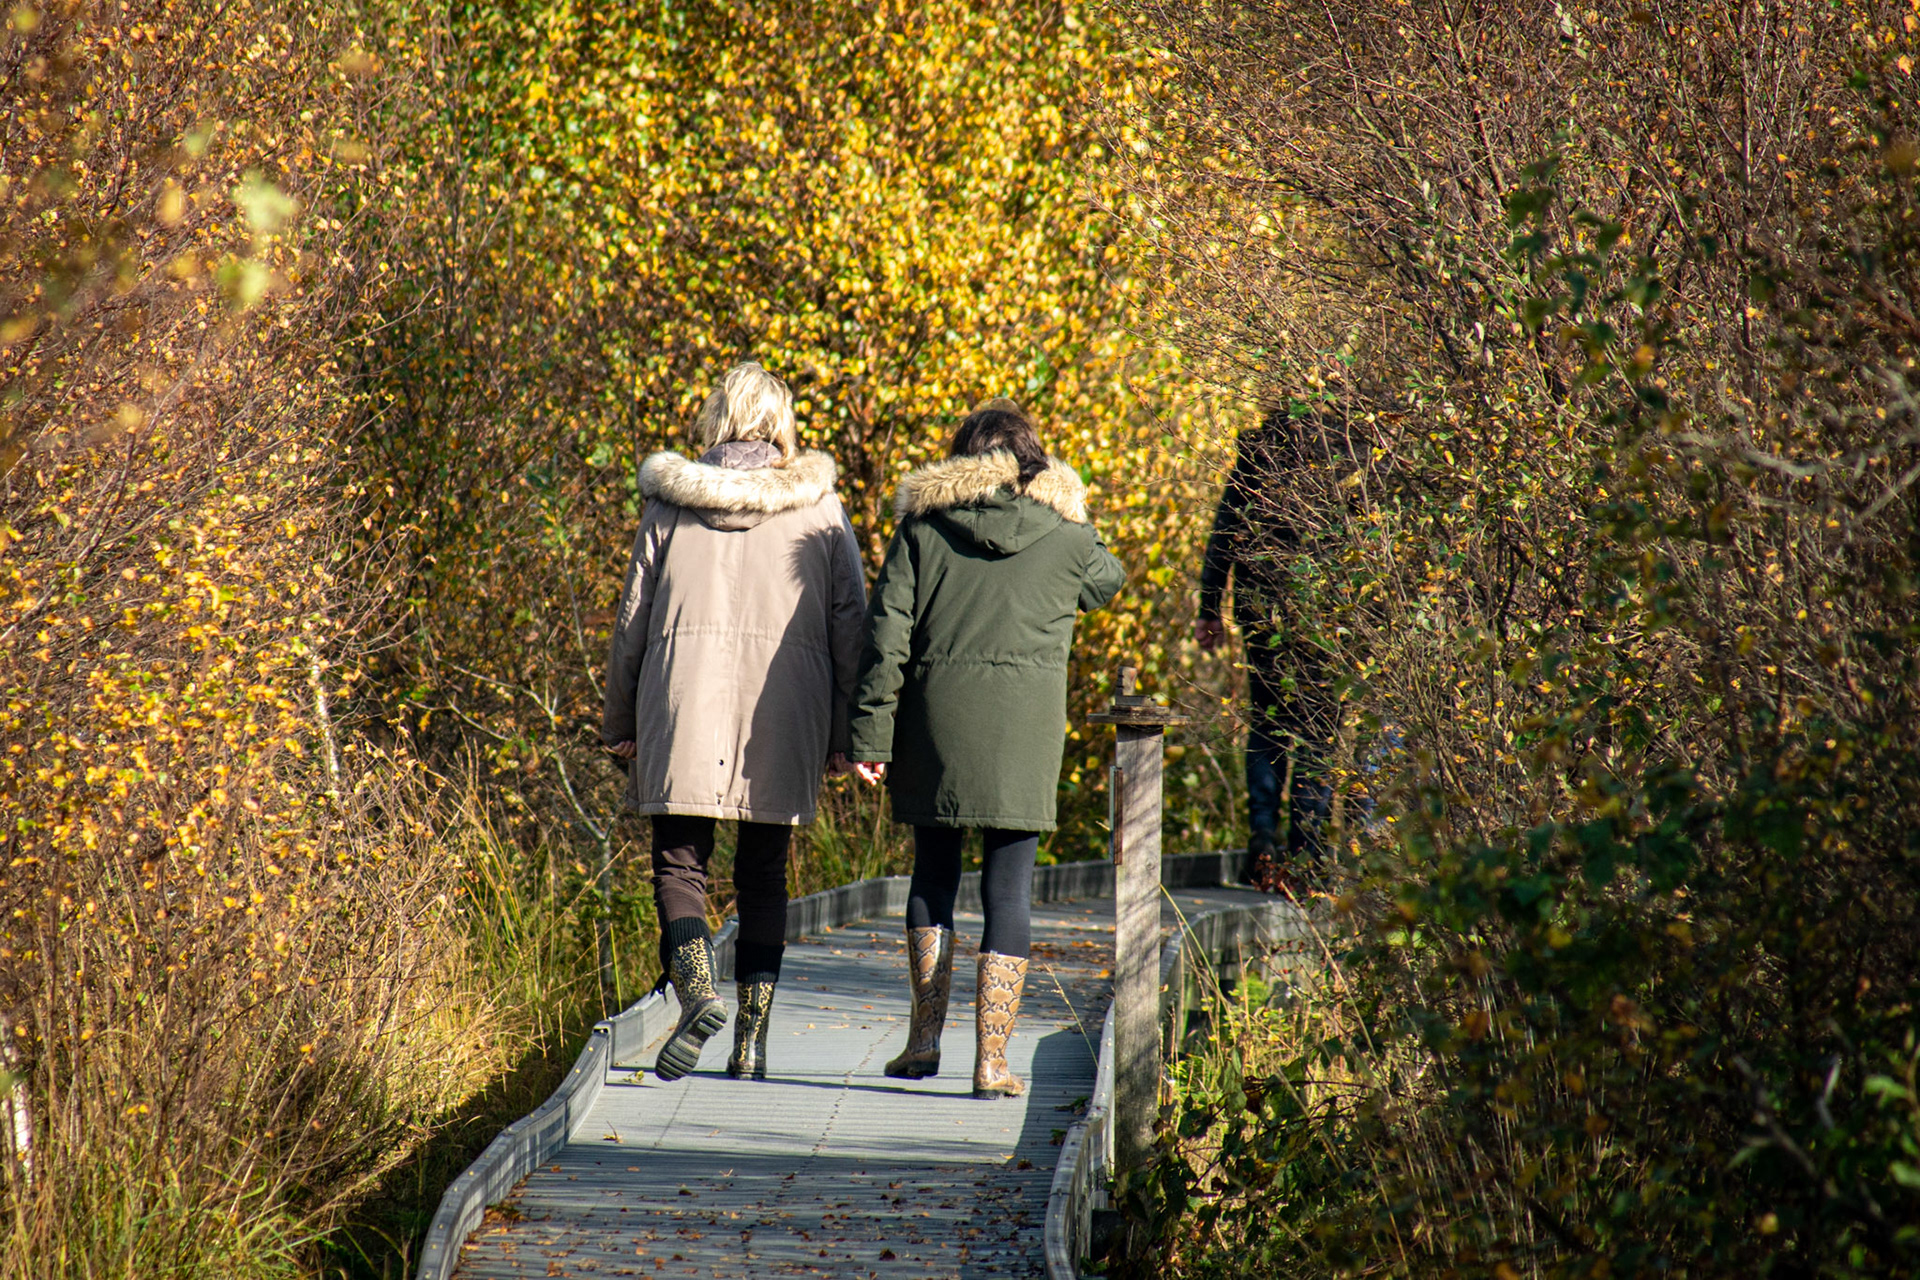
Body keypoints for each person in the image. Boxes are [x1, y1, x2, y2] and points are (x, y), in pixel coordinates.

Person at [847, 400, 1126, 1099]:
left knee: (932, 878)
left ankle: (922, 1039)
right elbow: (1108, 581)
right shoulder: (1065, 535)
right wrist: (1069, 501)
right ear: (1033, 463)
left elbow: (888, 637)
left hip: (935, 723)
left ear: (961, 458)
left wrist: (871, 735)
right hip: (1025, 732)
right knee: (1009, 890)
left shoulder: (922, 527)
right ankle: (992, 1061)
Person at [602, 362, 866, 1082]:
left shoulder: (670, 508)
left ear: (716, 420)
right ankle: (751, 1043)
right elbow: (851, 627)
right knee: (764, 877)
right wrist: (848, 735)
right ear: (781, 425)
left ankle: (697, 995)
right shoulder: (821, 512)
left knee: (679, 865)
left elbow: (632, 624)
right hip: (785, 713)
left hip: (680, 704)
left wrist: (619, 720)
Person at [1196, 409, 1336, 889]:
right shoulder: (1355, 448)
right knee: (1318, 728)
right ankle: (1306, 856)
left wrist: (1209, 606)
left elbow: (1224, 533)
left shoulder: (1260, 452)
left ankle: (1262, 840)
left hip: (1262, 601)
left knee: (1271, 720)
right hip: (1329, 611)